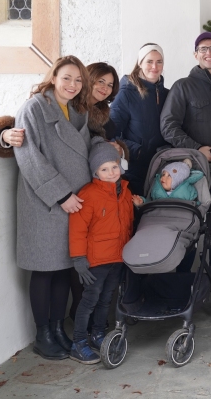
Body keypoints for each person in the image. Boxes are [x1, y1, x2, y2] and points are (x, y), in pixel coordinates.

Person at [13, 55, 93, 361]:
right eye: (66, 78)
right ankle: (42, 334)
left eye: (78, 80)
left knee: (62, 269)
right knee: (44, 271)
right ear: (54, 77)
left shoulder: (76, 110)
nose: (72, 85)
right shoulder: (34, 107)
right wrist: (61, 195)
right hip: (45, 203)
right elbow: (30, 157)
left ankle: (59, 330)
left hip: (73, 204)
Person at [160, 32, 211, 281]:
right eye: (203, 49)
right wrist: (196, 150)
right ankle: (182, 280)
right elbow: (168, 126)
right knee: (188, 226)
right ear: (196, 54)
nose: (209, 53)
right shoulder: (183, 86)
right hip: (193, 173)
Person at [68, 138, 139, 364]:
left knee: (106, 299)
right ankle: (78, 342)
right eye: (104, 169)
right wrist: (79, 258)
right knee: (90, 300)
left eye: (114, 167)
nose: (111, 173)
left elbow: (127, 223)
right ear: (95, 172)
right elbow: (78, 228)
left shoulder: (125, 192)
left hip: (117, 257)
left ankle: (98, 334)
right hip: (96, 261)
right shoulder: (88, 194)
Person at [110, 43, 169, 195]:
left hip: (162, 169)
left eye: (159, 61)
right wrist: (137, 151)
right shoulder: (126, 94)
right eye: (149, 61)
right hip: (134, 171)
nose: (154, 66)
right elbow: (110, 134)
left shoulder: (168, 94)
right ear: (140, 63)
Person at [137, 159, 205, 203]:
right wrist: (142, 202)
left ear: (179, 180)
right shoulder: (156, 190)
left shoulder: (187, 192)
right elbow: (150, 204)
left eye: (169, 176)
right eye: (163, 174)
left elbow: (196, 205)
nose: (163, 178)